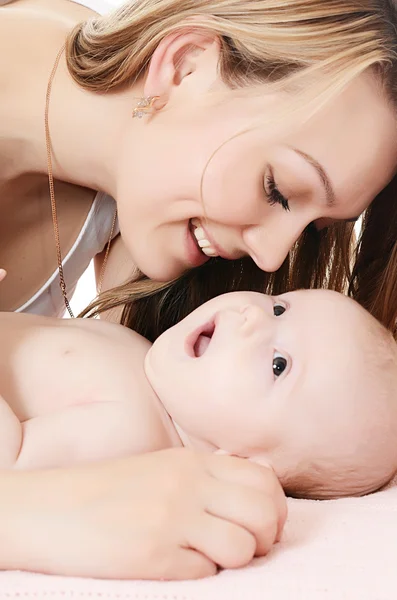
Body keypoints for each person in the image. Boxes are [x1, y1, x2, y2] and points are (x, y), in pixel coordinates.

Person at [1, 0, 397, 581]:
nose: (271, 258)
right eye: (278, 189)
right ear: (186, 65)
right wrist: (52, 518)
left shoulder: (141, 217)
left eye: (312, 228)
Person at [2, 288, 397, 501]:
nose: (254, 315)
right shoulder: (145, 362)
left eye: (279, 364)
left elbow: (12, 463)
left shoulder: (135, 433)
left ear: (244, 463)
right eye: (280, 308)